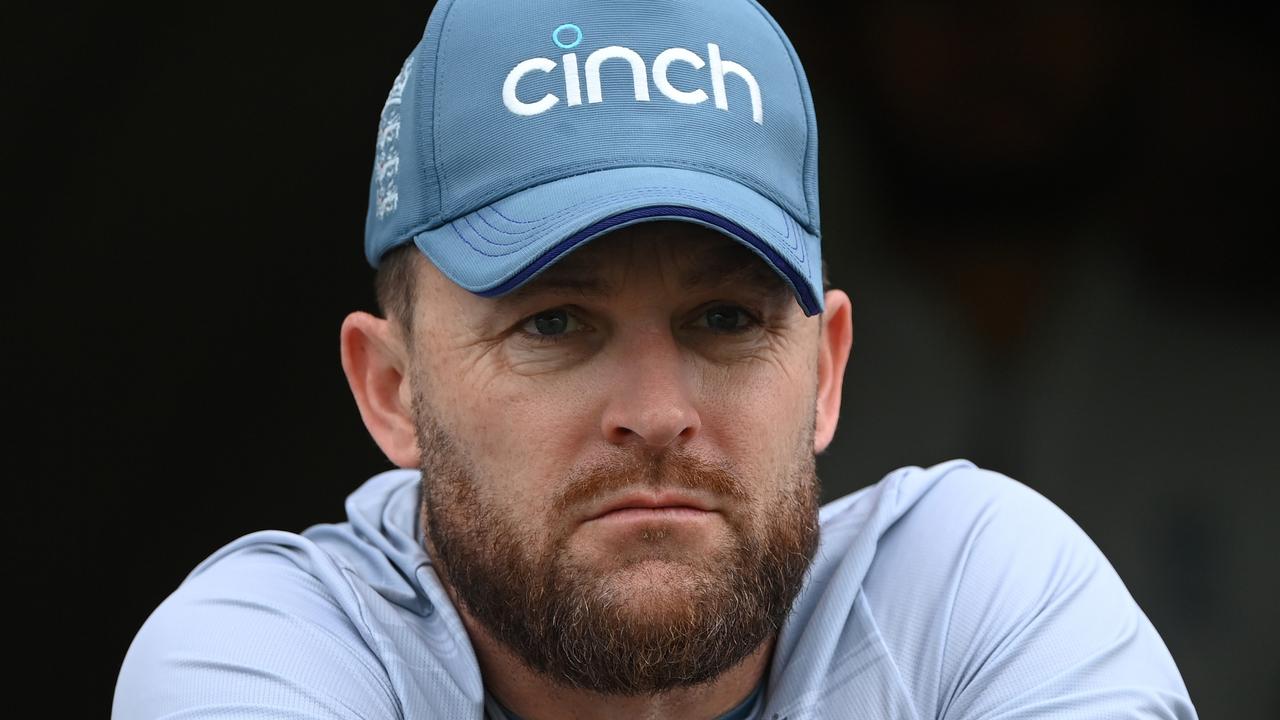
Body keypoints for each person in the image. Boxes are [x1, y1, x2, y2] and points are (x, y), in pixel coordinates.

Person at [112, 1, 1198, 718]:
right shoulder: (264, 657)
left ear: (823, 371)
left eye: (723, 320)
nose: (656, 410)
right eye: (554, 323)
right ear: (392, 392)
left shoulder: (971, 592)